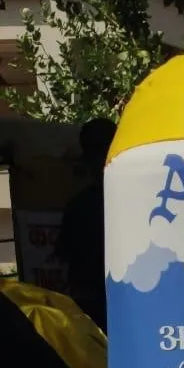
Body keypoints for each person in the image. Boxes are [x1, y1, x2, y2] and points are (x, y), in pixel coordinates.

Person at [56, 117, 117, 332]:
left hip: (92, 305)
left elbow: (63, 255)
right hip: (126, 299)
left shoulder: (79, 204)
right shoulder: (140, 199)